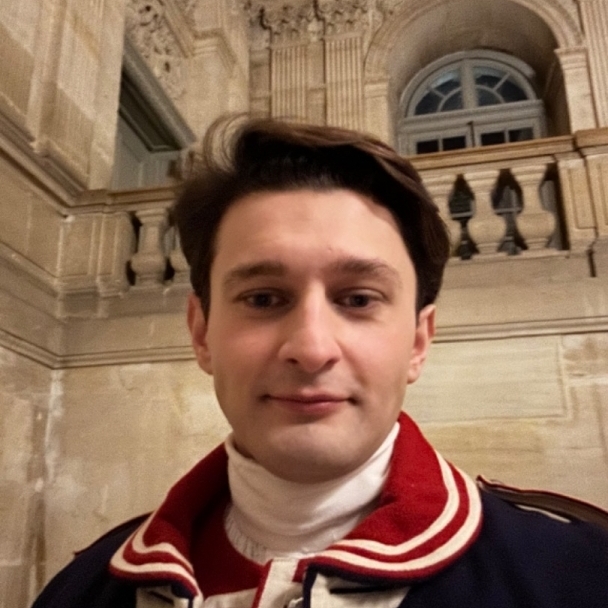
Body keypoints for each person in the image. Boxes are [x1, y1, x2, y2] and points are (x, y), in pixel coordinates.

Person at [33, 118, 608, 608]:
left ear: (417, 341)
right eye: (264, 299)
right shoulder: (82, 589)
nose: (310, 349)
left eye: (357, 299)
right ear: (202, 333)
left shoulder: (580, 578)